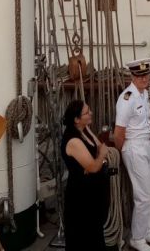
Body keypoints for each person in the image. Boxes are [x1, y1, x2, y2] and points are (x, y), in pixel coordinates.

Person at [114, 60, 150, 251]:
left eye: (146, 75)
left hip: (147, 145)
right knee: (143, 196)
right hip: (134, 148)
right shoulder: (127, 99)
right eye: (140, 76)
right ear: (132, 76)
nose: (144, 79)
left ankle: (146, 231)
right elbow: (118, 133)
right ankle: (137, 239)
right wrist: (124, 152)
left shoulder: (144, 94)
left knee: (148, 192)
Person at [62, 99, 111, 251]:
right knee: (82, 236)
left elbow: (98, 147)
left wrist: (96, 157)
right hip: (80, 197)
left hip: (92, 193)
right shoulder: (73, 141)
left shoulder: (85, 130)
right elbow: (94, 166)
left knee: (95, 233)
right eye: (86, 112)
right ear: (76, 119)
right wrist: (101, 156)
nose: (91, 113)